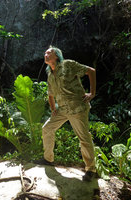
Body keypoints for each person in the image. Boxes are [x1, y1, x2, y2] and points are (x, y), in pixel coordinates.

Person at [38, 46, 97, 182]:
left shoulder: (68, 65)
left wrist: (92, 93)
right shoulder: (50, 74)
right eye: (45, 52)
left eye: (49, 52)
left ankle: (91, 169)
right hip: (63, 109)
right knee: (47, 128)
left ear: (57, 56)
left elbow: (91, 71)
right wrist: (53, 109)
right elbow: (50, 94)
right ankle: (48, 159)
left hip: (77, 108)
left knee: (84, 137)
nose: (45, 54)